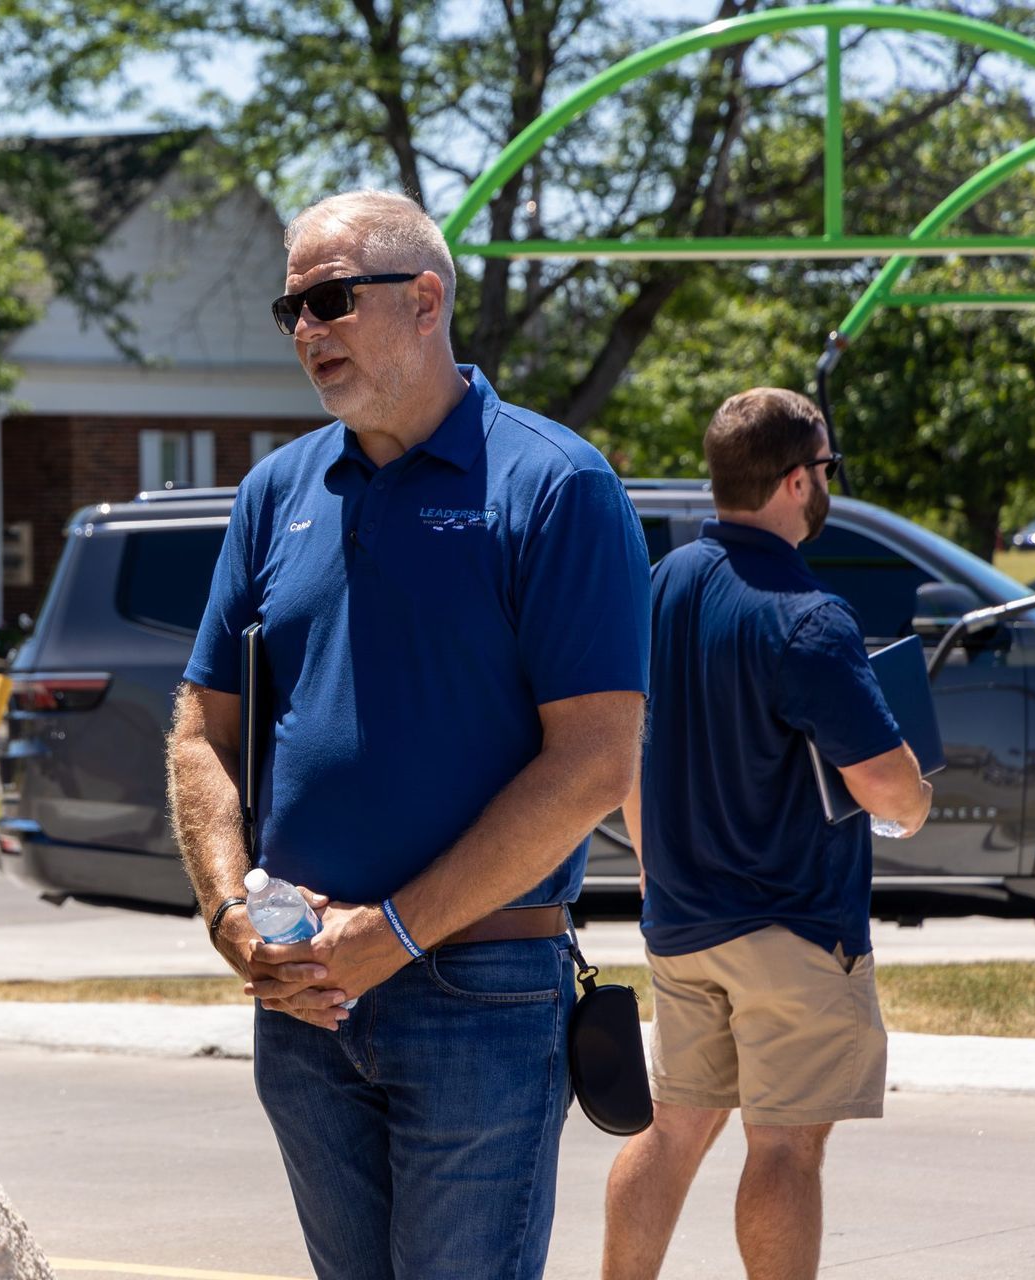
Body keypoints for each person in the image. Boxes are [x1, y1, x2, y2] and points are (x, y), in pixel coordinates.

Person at [166, 189, 651, 1279]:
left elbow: (593, 765)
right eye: (290, 305)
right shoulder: (273, 491)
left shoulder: (557, 485)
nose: (305, 328)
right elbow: (201, 726)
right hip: (300, 997)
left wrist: (394, 929)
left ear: (425, 299)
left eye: (331, 298)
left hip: (479, 996)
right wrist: (230, 909)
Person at [601, 388, 933, 1280]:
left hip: (679, 922)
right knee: (785, 1148)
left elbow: (626, 746)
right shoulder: (810, 616)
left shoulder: (659, 589)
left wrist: (650, 865)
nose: (827, 484)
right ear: (795, 481)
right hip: (791, 927)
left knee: (671, 1134)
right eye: (827, 469)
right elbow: (883, 784)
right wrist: (915, 800)